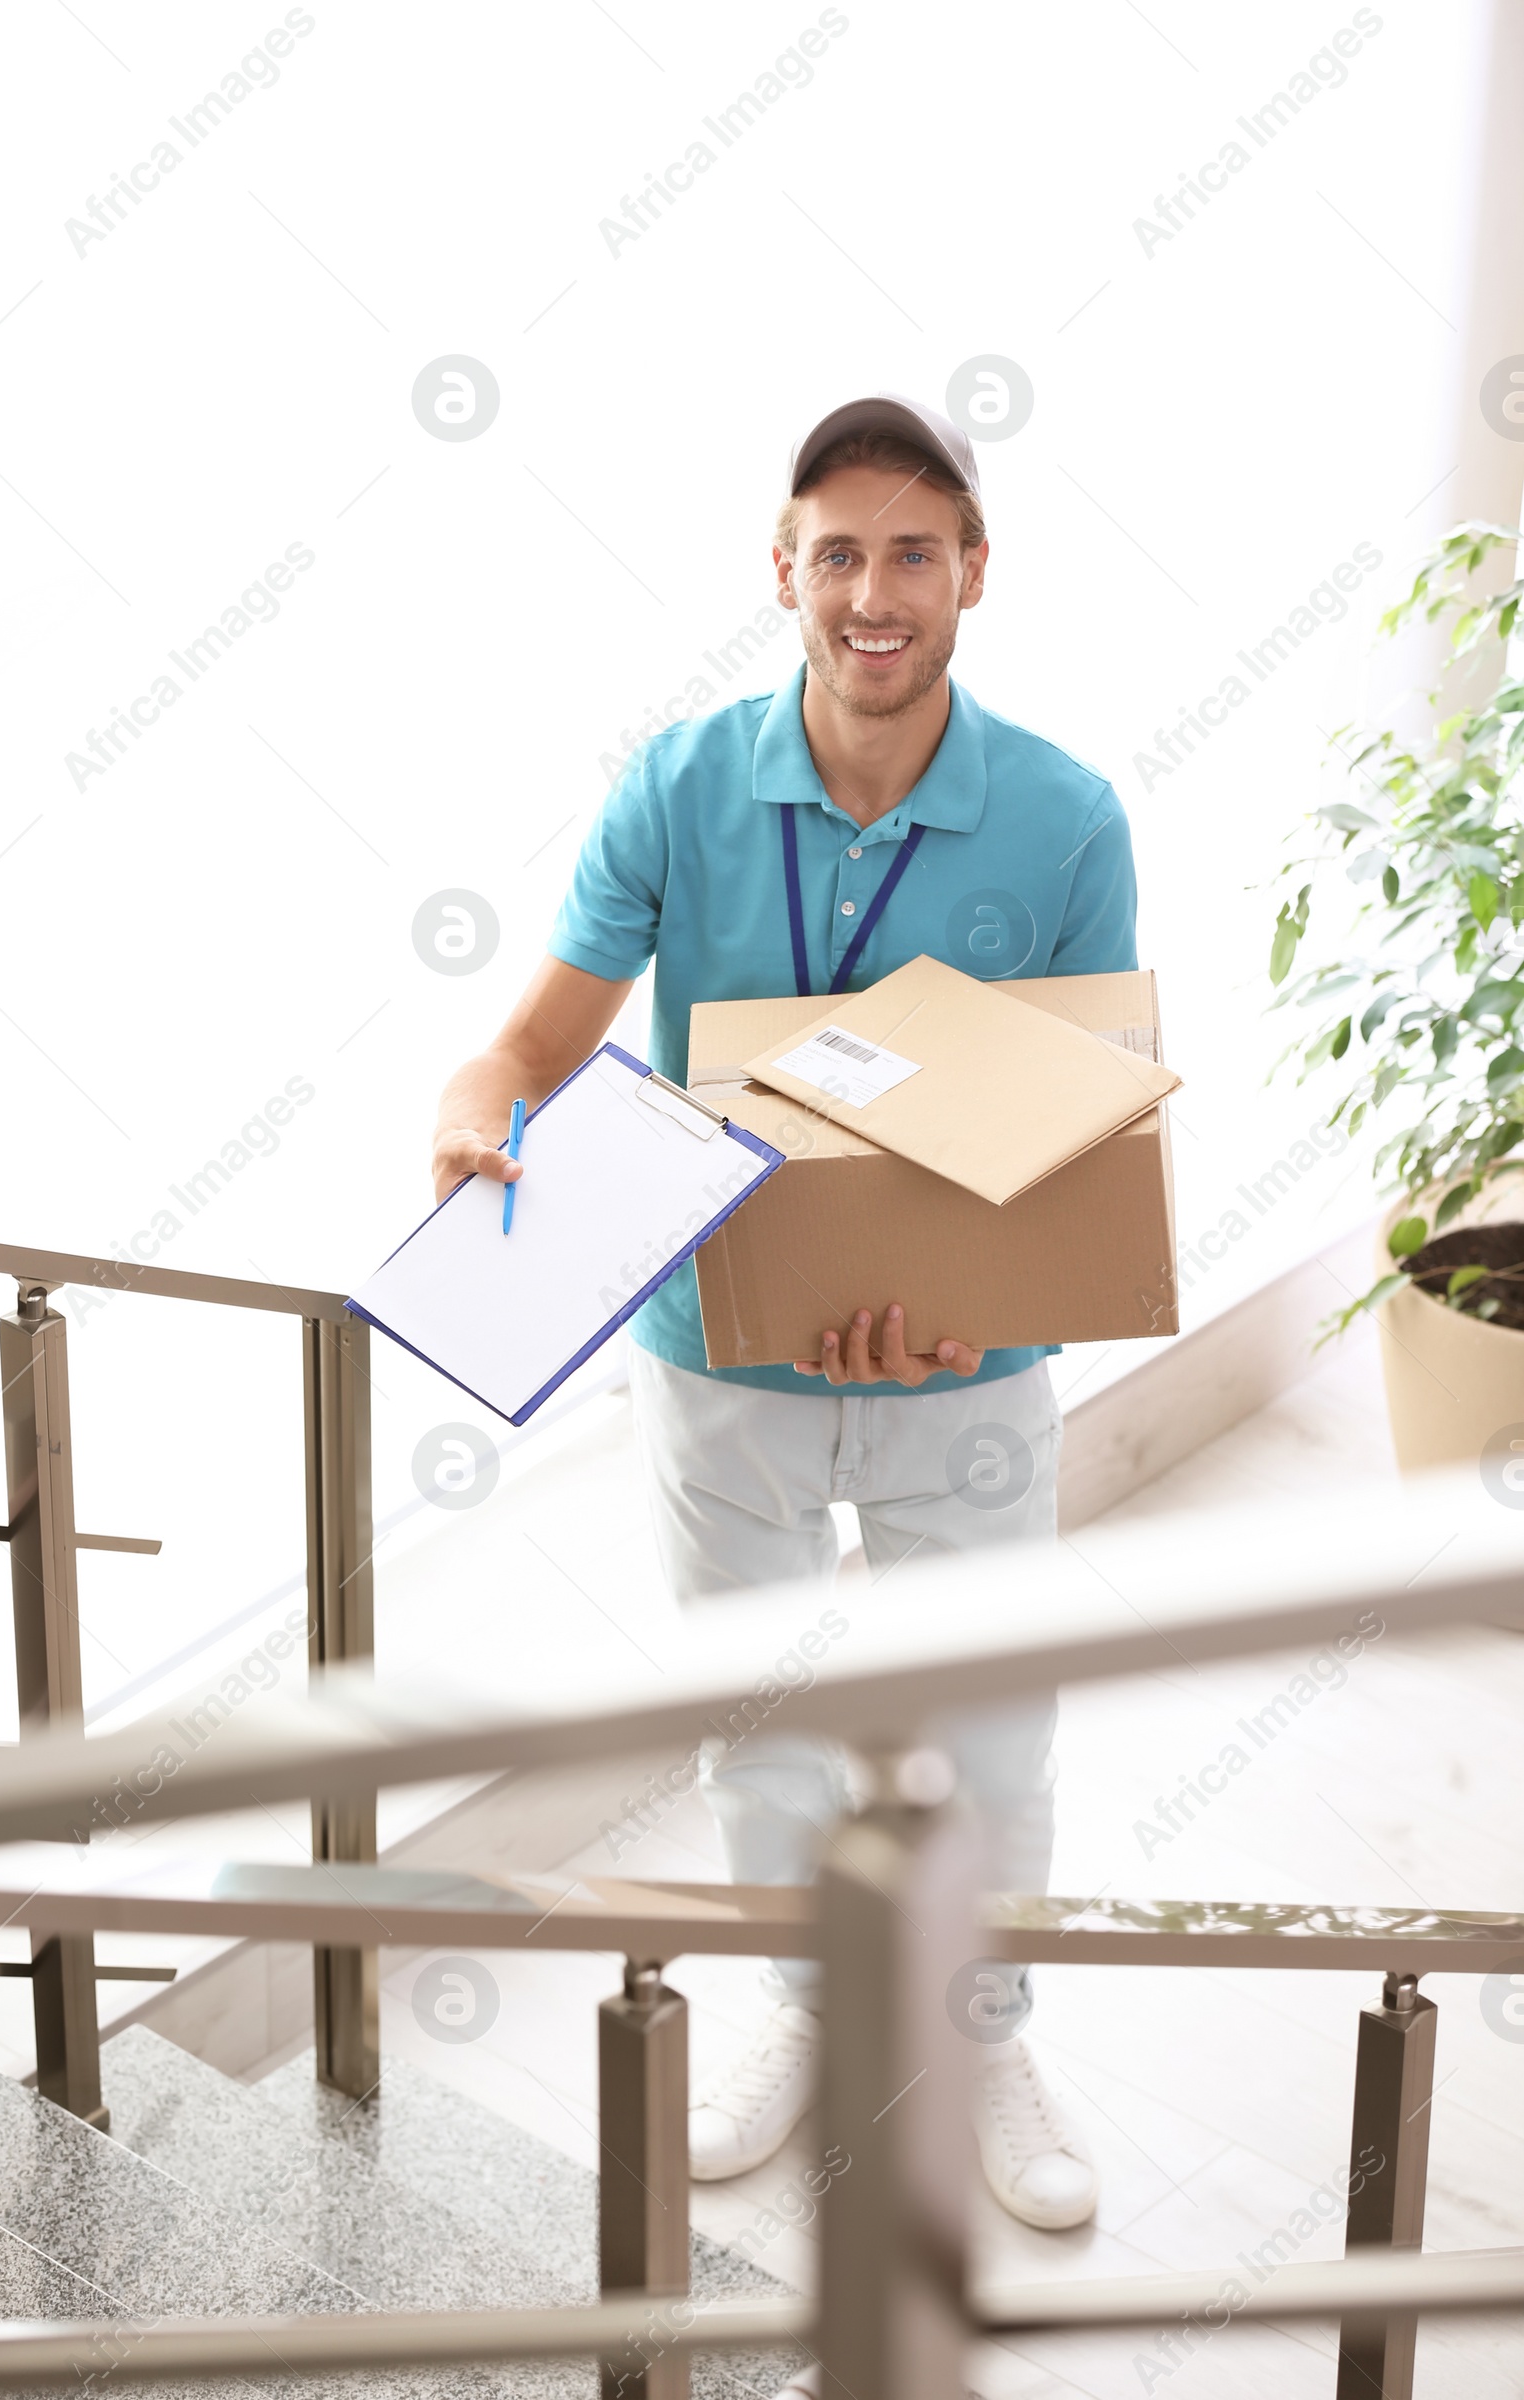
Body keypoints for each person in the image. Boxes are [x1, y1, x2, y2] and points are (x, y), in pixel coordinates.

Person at [430, 392, 1136, 2251]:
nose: (875, 593)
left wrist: (967, 1313)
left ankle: (986, 2033)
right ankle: (812, 2008)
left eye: (916, 552)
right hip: (715, 1360)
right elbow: (532, 1043)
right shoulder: (679, 784)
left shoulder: (1067, 819)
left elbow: (1076, 1129)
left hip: (963, 1372)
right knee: (765, 1728)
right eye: (840, 554)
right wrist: (474, 1112)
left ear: (976, 573)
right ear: (784, 573)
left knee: (981, 1728)